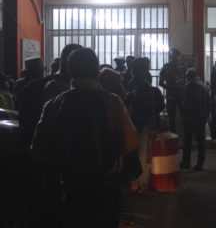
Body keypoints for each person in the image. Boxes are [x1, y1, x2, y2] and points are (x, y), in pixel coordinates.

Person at [31, 48, 139, 228]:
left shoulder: (54, 104)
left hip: (71, 181)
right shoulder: (112, 102)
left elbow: (38, 149)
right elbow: (130, 143)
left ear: (69, 71)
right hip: (106, 180)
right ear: (97, 72)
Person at [126, 58, 165, 194]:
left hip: (132, 124)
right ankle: (141, 181)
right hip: (144, 126)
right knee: (144, 155)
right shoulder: (146, 87)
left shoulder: (130, 83)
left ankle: (133, 181)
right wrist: (153, 128)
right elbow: (149, 110)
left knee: (134, 154)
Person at [180, 68, 211, 171]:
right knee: (201, 142)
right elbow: (209, 104)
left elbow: (186, 103)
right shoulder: (204, 86)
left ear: (188, 76)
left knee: (187, 141)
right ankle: (200, 164)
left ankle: (186, 162)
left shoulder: (189, 85)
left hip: (190, 118)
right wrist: (206, 116)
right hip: (202, 118)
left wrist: (184, 115)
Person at [159, 48, 184, 133]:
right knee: (171, 118)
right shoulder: (165, 67)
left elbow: (185, 81)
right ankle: (173, 137)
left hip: (181, 95)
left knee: (184, 117)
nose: (176, 58)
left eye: (177, 56)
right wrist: (170, 88)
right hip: (171, 95)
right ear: (171, 57)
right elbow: (160, 83)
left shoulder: (182, 67)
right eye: (174, 56)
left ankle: (184, 139)